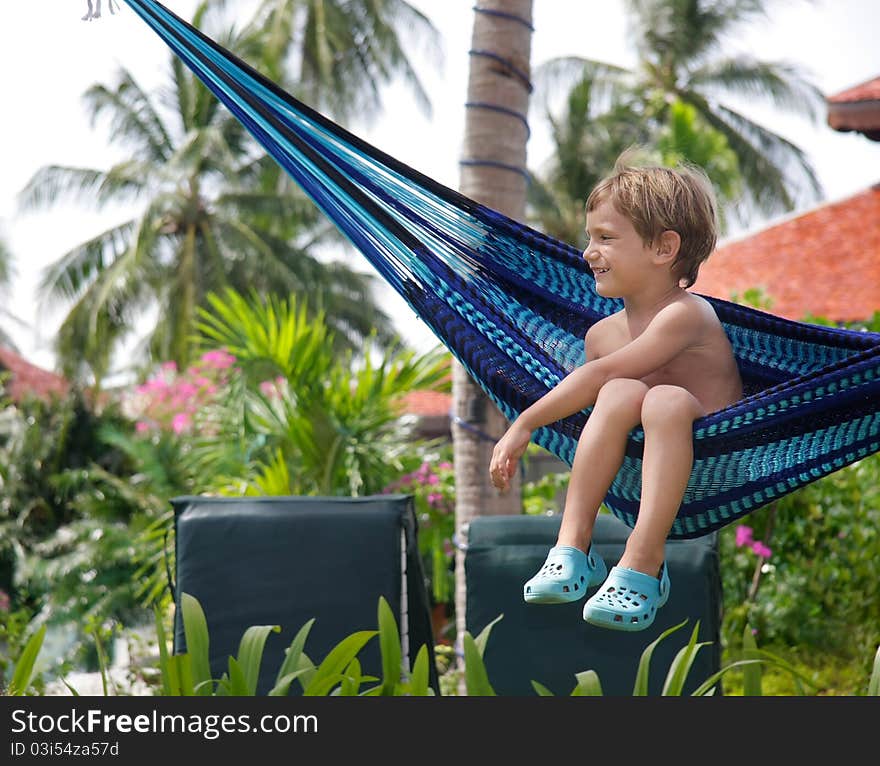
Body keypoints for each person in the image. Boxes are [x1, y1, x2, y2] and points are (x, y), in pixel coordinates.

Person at [488, 156, 743, 632]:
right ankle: (572, 545)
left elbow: (593, 377)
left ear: (664, 248)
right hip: (647, 458)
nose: (588, 251)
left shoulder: (686, 315)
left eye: (606, 237)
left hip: (719, 453)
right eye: (589, 237)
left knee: (661, 398)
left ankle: (644, 559)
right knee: (622, 391)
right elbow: (598, 395)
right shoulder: (601, 336)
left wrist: (524, 422)